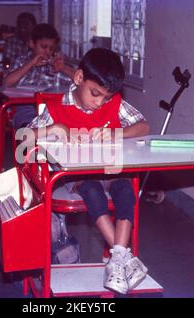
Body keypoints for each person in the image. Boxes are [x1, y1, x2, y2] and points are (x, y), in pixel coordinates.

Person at [26, 48, 150, 294]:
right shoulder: (56, 108)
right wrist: (53, 129)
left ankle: (117, 258)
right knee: (92, 190)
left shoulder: (114, 104)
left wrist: (118, 133)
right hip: (78, 179)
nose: (99, 103)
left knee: (126, 190)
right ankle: (124, 257)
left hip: (112, 172)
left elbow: (144, 126)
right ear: (79, 78)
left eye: (106, 97)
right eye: (95, 94)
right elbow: (24, 138)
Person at [4, 23, 75, 129]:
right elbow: (7, 82)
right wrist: (30, 64)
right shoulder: (21, 61)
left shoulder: (56, 65)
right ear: (32, 43)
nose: (47, 52)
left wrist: (63, 68)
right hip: (27, 108)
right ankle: (30, 137)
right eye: (43, 47)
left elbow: (81, 82)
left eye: (51, 49)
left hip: (52, 108)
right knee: (26, 122)